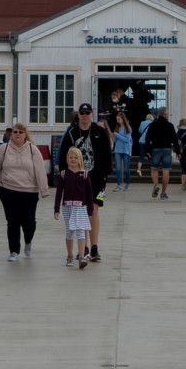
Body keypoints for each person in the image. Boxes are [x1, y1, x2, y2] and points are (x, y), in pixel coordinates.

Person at [51, 104, 113, 262]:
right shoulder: (72, 133)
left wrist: (105, 174)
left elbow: (107, 153)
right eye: (82, 113)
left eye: (87, 113)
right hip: (77, 179)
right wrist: (66, 176)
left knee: (94, 211)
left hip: (97, 179)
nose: (85, 116)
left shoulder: (99, 132)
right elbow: (64, 153)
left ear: (92, 115)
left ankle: (94, 247)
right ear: (78, 115)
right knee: (81, 212)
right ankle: (83, 246)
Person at [0, 122, 47, 262]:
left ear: (25, 134)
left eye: (21, 132)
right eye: (15, 132)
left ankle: (28, 241)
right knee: (12, 221)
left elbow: (40, 170)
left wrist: (43, 189)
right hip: (9, 189)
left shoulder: (32, 149)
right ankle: (14, 251)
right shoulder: (3, 148)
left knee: (29, 221)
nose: (17, 135)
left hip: (29, 190)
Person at [55, 147, 95, 268]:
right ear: (67, 159)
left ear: (80, 159)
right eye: (70, 157)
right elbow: (58, 193)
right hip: (67, 207)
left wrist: (90, 210)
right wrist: (56, 209)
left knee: (81, 231)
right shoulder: (63, 174)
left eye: (75, 157)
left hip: (81, 208)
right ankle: (70, 256)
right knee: (70, 231)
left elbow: (89, 194)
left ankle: (82, 256)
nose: (73, 160)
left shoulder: (85, 174)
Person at [145, 110, 179, 198]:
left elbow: (147, 139)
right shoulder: (170, 125)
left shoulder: (153, 124)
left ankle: (156, 184)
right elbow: (175, 140)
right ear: (165, 114)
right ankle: (163, 193)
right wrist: (178, 152)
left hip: (156, 149)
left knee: (154, 169)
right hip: (167, 149)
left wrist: (147, 151)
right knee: (166, 170)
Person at [112, 114, 134, 191]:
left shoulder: (128, 128)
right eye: (117, 119)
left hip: (126, 150)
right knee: (118, 167)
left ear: (123, 119)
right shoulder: (116, 128)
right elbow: (115, 141)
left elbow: (127, 140)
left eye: (119, 119)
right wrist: (114, 136)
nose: (118, 121)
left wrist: (117, 135)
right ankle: (119, 184)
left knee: (126, 168)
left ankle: (127, 184)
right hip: (118, 149)